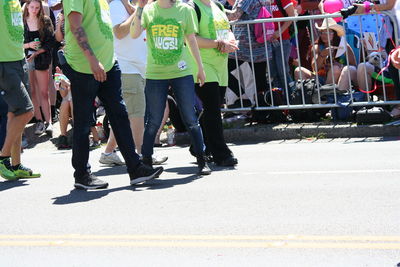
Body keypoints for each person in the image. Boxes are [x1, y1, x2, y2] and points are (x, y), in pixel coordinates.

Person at [62, 0, 163, 190]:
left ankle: (135, 168)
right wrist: (92, 60)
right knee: (84, 123)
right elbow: (76, 24)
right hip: (85, 67)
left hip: (109, 64)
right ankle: (82, 175)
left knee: (120, 115)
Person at [130, 0, 212, 175]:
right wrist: (139, 7)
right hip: (155, 73)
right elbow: (134, 33)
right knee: (153, 120)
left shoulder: (185, 10)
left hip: (181, 72)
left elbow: (191, 40)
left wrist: (200, 68)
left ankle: (201, 158)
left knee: (190, 118)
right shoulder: (148, 10)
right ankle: (146, 160)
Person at [100, 0, 166, 166]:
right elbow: (119, 32)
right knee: (137, 113)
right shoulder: (116, 5)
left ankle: (108, 152)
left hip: (140, 67)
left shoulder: (134, 5)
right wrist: (138, 10)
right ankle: (144, 154)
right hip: (127, 66)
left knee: (128, 115)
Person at [191, 0, 239, 166]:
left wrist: (231, 41)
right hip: (202, 65)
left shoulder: (217, 6)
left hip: (220, 65)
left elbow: (227, 30)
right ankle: (221, 153)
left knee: (213, 107)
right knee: (213, 109)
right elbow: (191, 38)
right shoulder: (192, 7)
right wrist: (218, 44)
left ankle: (199, 143)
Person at [0, 0, 40, 180]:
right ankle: (3, 157)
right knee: (26, 111)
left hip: (19, 60)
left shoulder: (16, 2)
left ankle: (15, 165)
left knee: (14, 114)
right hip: (4, 63)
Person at [225, 0, 272, 102]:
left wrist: (215, 10)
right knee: (260, 82)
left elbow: (234, 16)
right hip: (260, 46)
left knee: (225, 71)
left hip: (246, 47)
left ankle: (249, 102)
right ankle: (264, 110)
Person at [294, 18, 357, 92]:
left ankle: (325, 95)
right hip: (320, 77)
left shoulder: (343, 46)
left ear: (335, 34)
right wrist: (322, 55)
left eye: (328, 32)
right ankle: (307, 96)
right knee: (298, 70)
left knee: (335, 69)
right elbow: (315, 68)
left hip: (339, 79)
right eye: (322, 32)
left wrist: (341, 66)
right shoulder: (317, 46)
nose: (324, 35)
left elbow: (354, 66)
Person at [23, 0, 55, 136]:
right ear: (27, 7)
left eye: (37, 7)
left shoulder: (45, 20)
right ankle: (39, 121)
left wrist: (36, 52)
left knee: (44, 92)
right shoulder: (21, 22)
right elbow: (16, 42)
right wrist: (29, 45)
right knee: (32, 92)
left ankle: (49, 122)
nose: (34, 10)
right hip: (26, 59)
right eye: (32, 7)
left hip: (41, 59)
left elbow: (50, 42)